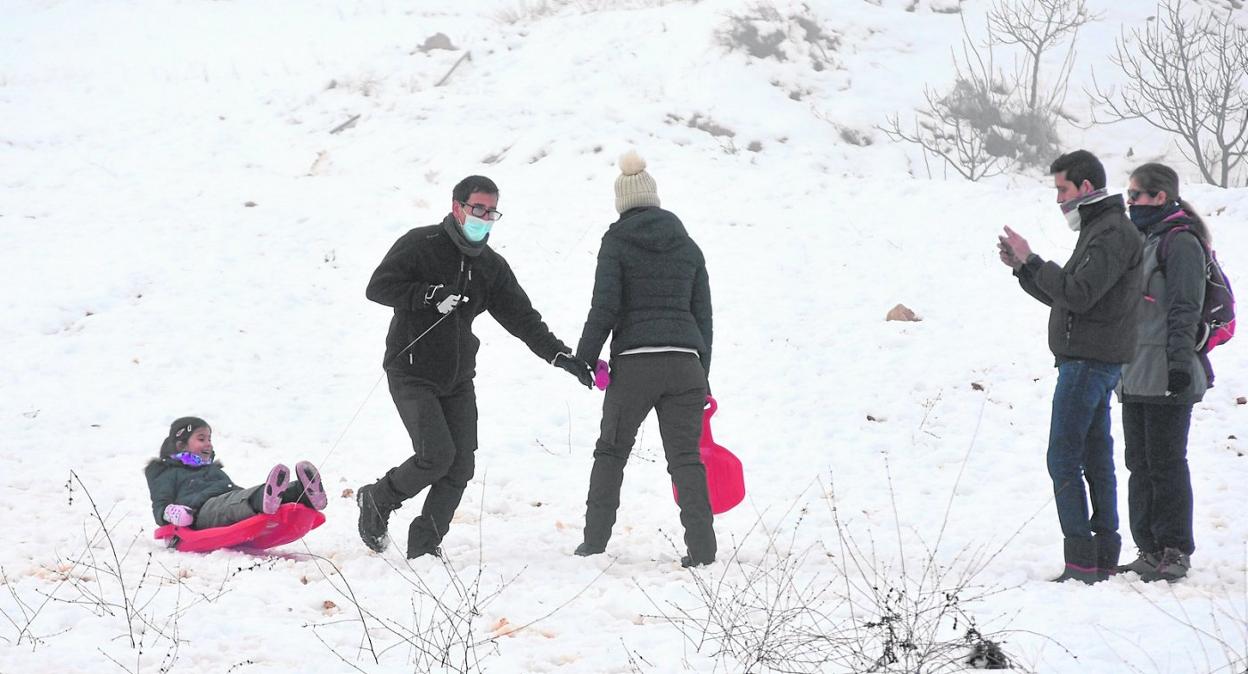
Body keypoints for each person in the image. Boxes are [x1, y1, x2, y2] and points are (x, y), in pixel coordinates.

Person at [356, 175, 592, 559]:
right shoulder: (421, 244)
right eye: (477, 209)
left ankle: (424, 546)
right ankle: (378, 498)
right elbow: (379, 287)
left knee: (460, 465)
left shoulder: (491, 267)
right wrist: (428, 295)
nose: (484, 217)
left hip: (458, 379)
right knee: (435, 455)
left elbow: (524, 320)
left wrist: (562, 357)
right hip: (411, 371)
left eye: (491, 211)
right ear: (457, 207)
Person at [997, 149, 1144, 584]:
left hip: (1089, 363)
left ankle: (1083, 560)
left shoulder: (1112, 232)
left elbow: (1078, 294)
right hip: (1090, 360)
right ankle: (1098, 555)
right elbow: (1071, 297)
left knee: (1063, 457)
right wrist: (1026, 269)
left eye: (1062, 189)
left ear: (1084, 187)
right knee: (1094, 457)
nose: (1058, 199)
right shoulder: (1100, 227)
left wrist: (1034, 260)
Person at [572, 150, 716, 568]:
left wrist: (585, 359)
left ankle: (594, 544)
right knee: (686, 459)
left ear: (622, 203)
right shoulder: (688, 245)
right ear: (654, 198)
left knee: (611, 453)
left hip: (635, 366)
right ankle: (703, 551)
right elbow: (703, 316)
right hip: (685, 363)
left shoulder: (616, 241)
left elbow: (604, 307)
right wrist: (701, 373)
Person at [1115, 163, 1210, 582]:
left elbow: (1186, 308)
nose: (1130, 202)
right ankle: (1149, 547)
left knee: (1166, 461)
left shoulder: (1181, 242)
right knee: (1138, 461)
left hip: (1169, 371)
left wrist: (1176, 365)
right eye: (1129, 194)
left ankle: (1174, 550)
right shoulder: (1141, 239)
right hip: (1135, 369)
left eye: (1135, 195)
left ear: (1159, 197)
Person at [145, 416, 328, 529]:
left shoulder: (212, 470)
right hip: (201, 512)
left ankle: (300, 492)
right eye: (201, 439)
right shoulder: (167, 472)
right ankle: (265, 497)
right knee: (239, 501)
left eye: (209, 438)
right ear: (180, 445)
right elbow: (159, 506)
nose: (208, 443)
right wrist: (171, 513)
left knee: (244, 496)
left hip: (230, 500)